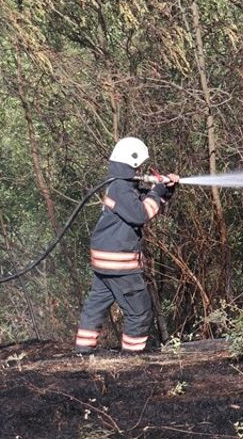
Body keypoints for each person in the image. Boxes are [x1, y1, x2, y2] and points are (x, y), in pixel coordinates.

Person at [74, 137, 179, 355]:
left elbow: (145, 200)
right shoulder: (121, 187)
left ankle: (82, 351)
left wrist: (165, 191)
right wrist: (157, 191)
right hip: (119, 262)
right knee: (140, 311)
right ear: (131, 163)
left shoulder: (119, 185)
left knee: (96, 305)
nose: (140, 169)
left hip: (104, 261)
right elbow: (140, 214)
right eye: (138, 165)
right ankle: (132, 357)